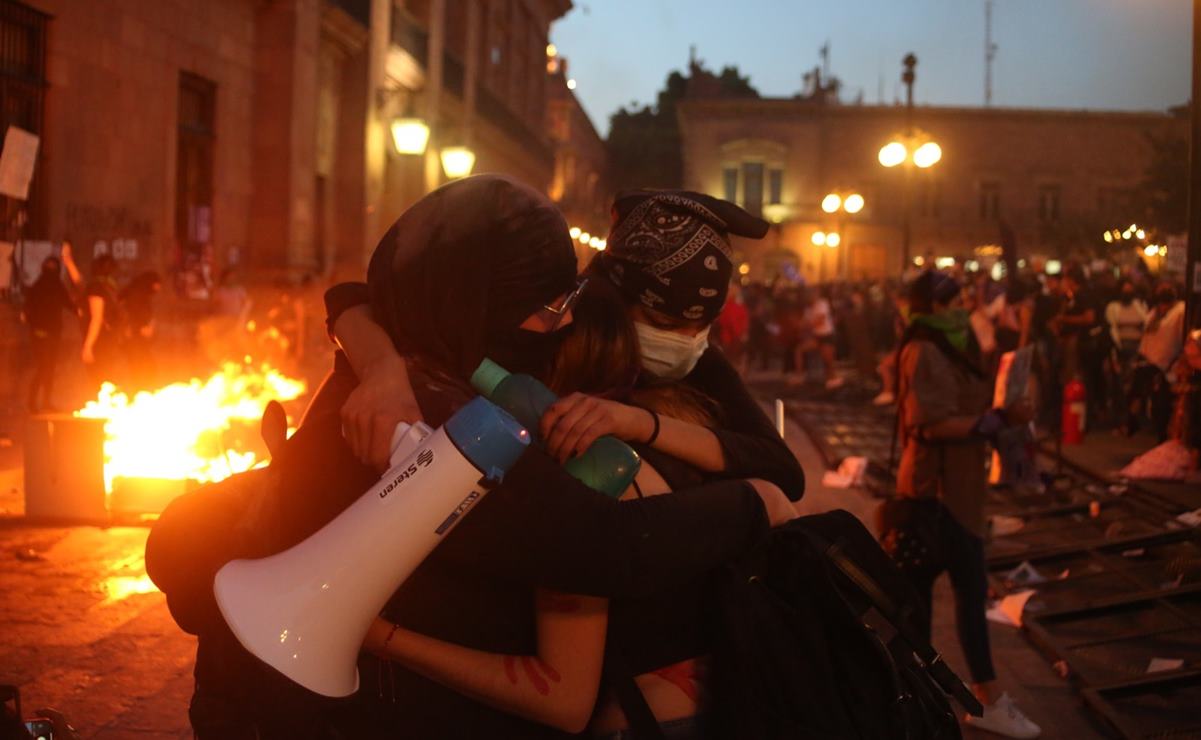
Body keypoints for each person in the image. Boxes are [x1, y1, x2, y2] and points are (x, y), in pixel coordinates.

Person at [189, 175, 795, 740]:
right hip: (315, 711)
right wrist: (753, 504)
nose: (557, 325)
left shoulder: (410, 353)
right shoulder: (437, 415)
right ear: (481, 298)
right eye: (549, 306)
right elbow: (600, 547)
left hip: (280, 696)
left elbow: (353, 297)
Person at [889, 270, 1041, 739]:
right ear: (934, 307)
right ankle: (949, 700)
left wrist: (1010, 408)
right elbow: (927, 422)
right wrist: (991, 421)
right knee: (926, 606)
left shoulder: (957, 344)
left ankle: (967, 699)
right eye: (955, 300)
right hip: (934, 494)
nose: (964, 306)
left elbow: (975, 404)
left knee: (962, 597)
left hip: (962, 493)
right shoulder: (924, 349)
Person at [1125, 284, 1186, 439]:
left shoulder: (1180, 312)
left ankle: (1162, 436)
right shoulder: (1154, 313)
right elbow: (1148, 335)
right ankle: (1132, 423)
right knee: (1135, 394)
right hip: (1147, 361)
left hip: (1166, 365)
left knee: (1162, 405)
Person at [20, 254, 77, 412]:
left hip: (49, 334)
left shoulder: (44, 286)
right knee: (45, 368)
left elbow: (68, 304)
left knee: (48, 368)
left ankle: (44, 402)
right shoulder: (43, 286)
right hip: (44, 334)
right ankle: (36, 402)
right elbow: (26, 312)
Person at [81, 253, 124, 392]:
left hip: (100, 340)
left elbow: (96, 318)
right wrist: (68, 261)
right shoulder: (110, 286)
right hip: (110, 337)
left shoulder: (96, 288)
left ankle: (102, 404)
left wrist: (88, 345)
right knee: (105, 374)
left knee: (98, 376)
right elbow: (78, 283)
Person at [121, 270, 163, 389]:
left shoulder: (140, 294)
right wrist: (140, 328)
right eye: (157, 284)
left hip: (138, 340)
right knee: (143, 368)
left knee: (145, 367)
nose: (159, 288)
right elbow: (131, 316)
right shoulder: (136, 295)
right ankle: (140, 392)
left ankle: (141, 391)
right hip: (134, 340)